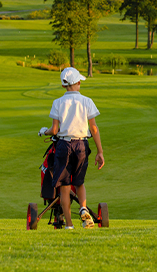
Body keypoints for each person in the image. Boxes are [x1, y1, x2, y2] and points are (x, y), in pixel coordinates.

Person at [38, 67, 105, 229]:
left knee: (65, 187)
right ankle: (83, 208)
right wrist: (100, 151)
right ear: (78, 83)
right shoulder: (87, 101)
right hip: (82, 144)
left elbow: (54, 130)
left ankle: (69, 225)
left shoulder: (57, 103)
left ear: (63, 86)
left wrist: (43, 132)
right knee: (80, 182)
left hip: (63, 146)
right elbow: (94, 128)